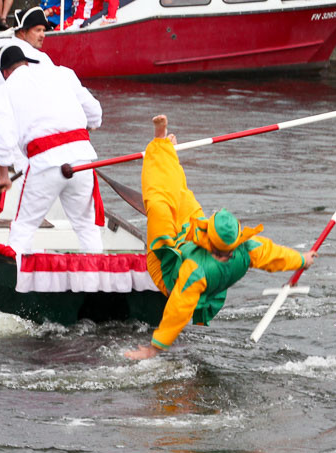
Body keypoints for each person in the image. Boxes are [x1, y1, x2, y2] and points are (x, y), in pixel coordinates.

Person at [123, 114, 315, 360]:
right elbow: (273, 255)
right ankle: (165, 151)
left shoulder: (196, 271)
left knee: (159, 202)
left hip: (167, 268)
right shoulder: (246, 248)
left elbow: (178, 311)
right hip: (190, 246)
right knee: (183, 196)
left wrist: (154, 349)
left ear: (211, 242)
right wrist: (302, 259)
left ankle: (159, 143)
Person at [0, 45, 104, 259]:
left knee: (24, 227)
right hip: (83, 161)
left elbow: (3, 137)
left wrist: (3, 176)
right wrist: (88, 127)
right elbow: (94, 113)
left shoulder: (0, 94)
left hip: (44, 163)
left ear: (5, 73)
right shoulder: (63, 73)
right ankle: (96, 280)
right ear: (27, 63)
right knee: (86, 226)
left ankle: (16, 283)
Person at [0, 6, 56, 219]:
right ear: (22, 31)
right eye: (38, 30)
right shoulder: (37, 58)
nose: (43, 35)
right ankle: (32, 226)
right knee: (30, 173)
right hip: (19, 124)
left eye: (44, 30)